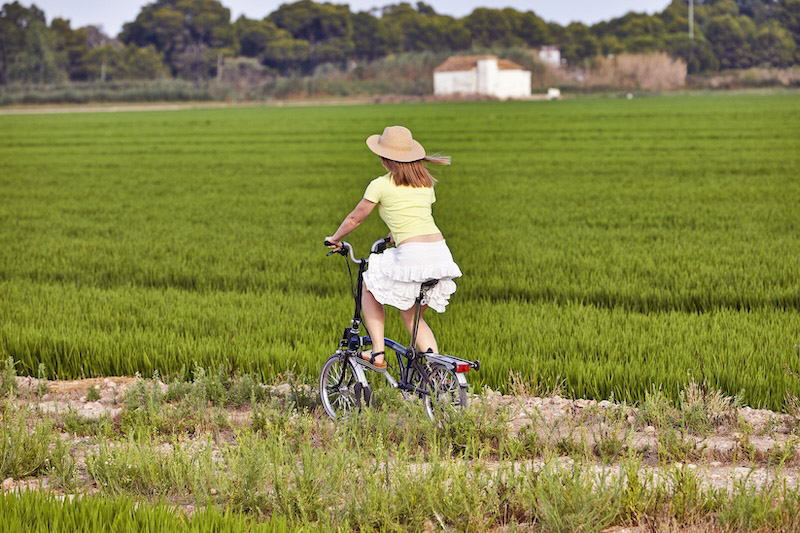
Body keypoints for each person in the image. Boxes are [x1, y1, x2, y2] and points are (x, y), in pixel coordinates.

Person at [324, 126, 462, 369]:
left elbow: (355, 219)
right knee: (413, 319)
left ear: (385, 159)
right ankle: (436, 371)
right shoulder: (426, 184)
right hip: (440, 254)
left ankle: (377, 353)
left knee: (368, 284)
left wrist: (335, 238)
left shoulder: (380, 185)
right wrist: (392, 236)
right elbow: (413, 217)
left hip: (413, 256)